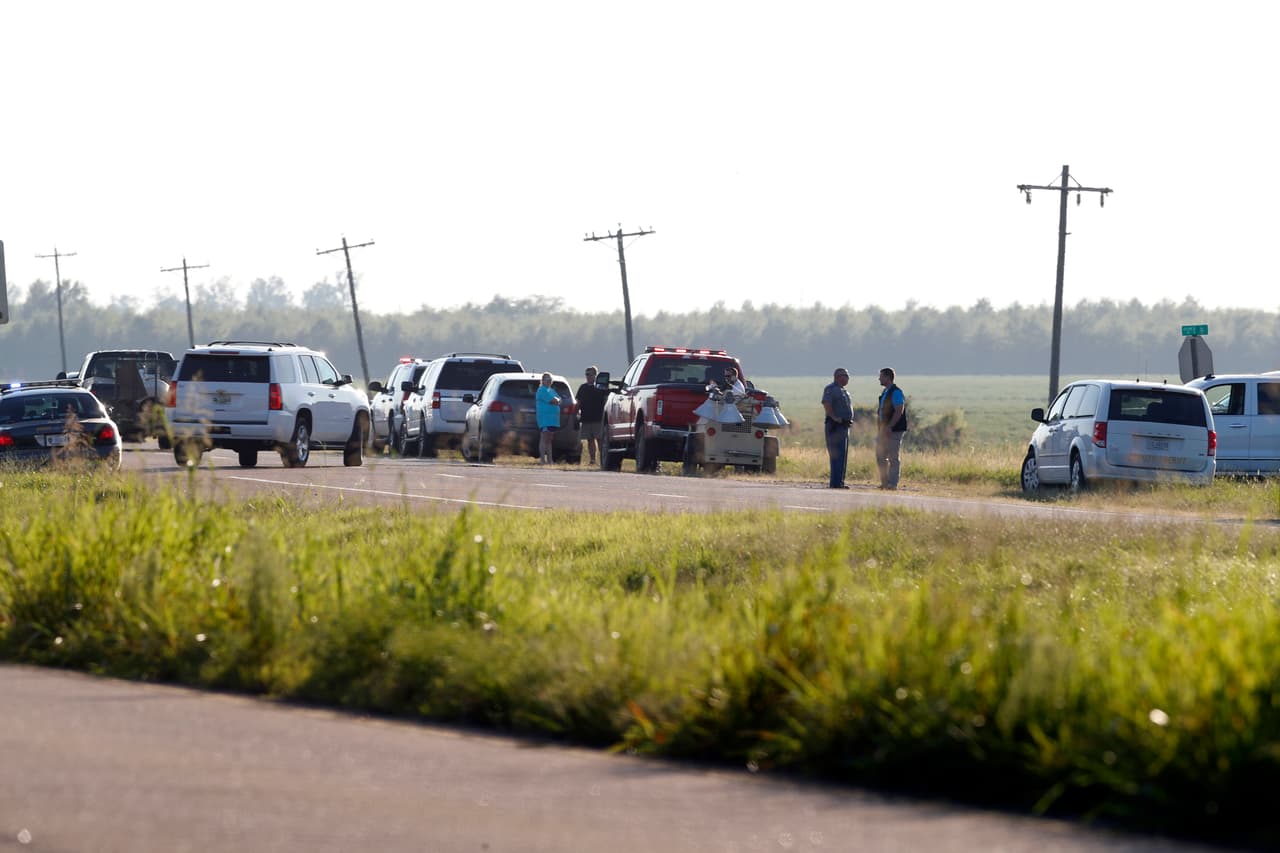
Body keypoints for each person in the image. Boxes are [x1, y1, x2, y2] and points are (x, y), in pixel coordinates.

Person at [875, 367, 908, 490]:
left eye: (881, 376)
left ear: (888, 377)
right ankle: (885, 482)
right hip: (883, 429)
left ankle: (892, 484)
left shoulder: (896, 392)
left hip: (893, 430)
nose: (879, 379)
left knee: (893, 457)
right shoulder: (886, 392)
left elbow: (899, 410)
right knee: (880, 456)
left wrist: (890, 426)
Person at [821, 367, 853, 488]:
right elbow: (827, 404)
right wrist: (835, 417)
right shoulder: (831, 389)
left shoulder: (843, 391)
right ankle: (835, 483)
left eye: (847, 376)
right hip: (835, 426)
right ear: (837, 377)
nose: (847, 378)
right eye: (845, 375)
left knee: (843, 456)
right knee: (836, 455)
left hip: (844, 426)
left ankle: (840, 482)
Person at [575, 365, 608, 465]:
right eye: (586, 374)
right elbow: (578, 402)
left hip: (598, 418)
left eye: (590, 374)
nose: (588, 376)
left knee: (600, 439)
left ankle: (603, 459)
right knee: (590, 440)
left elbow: (606, 401)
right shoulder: (583, 388)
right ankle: (593, 460)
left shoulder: (601, 388)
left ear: (595, 375)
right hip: (586, 418)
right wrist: (575, 414)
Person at [535, 372, 562, 464]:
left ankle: (550, 460)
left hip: (552, 419)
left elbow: (559, 399)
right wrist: (556, 400)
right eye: (547, 380)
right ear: (542, 381)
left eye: (550, 379)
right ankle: (542, 460)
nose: (549, 381)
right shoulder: (542, 390)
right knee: (544, 437)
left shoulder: (551, 390)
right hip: (545, 419)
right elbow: (554, 400)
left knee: (549, 439)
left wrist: (557, 400)